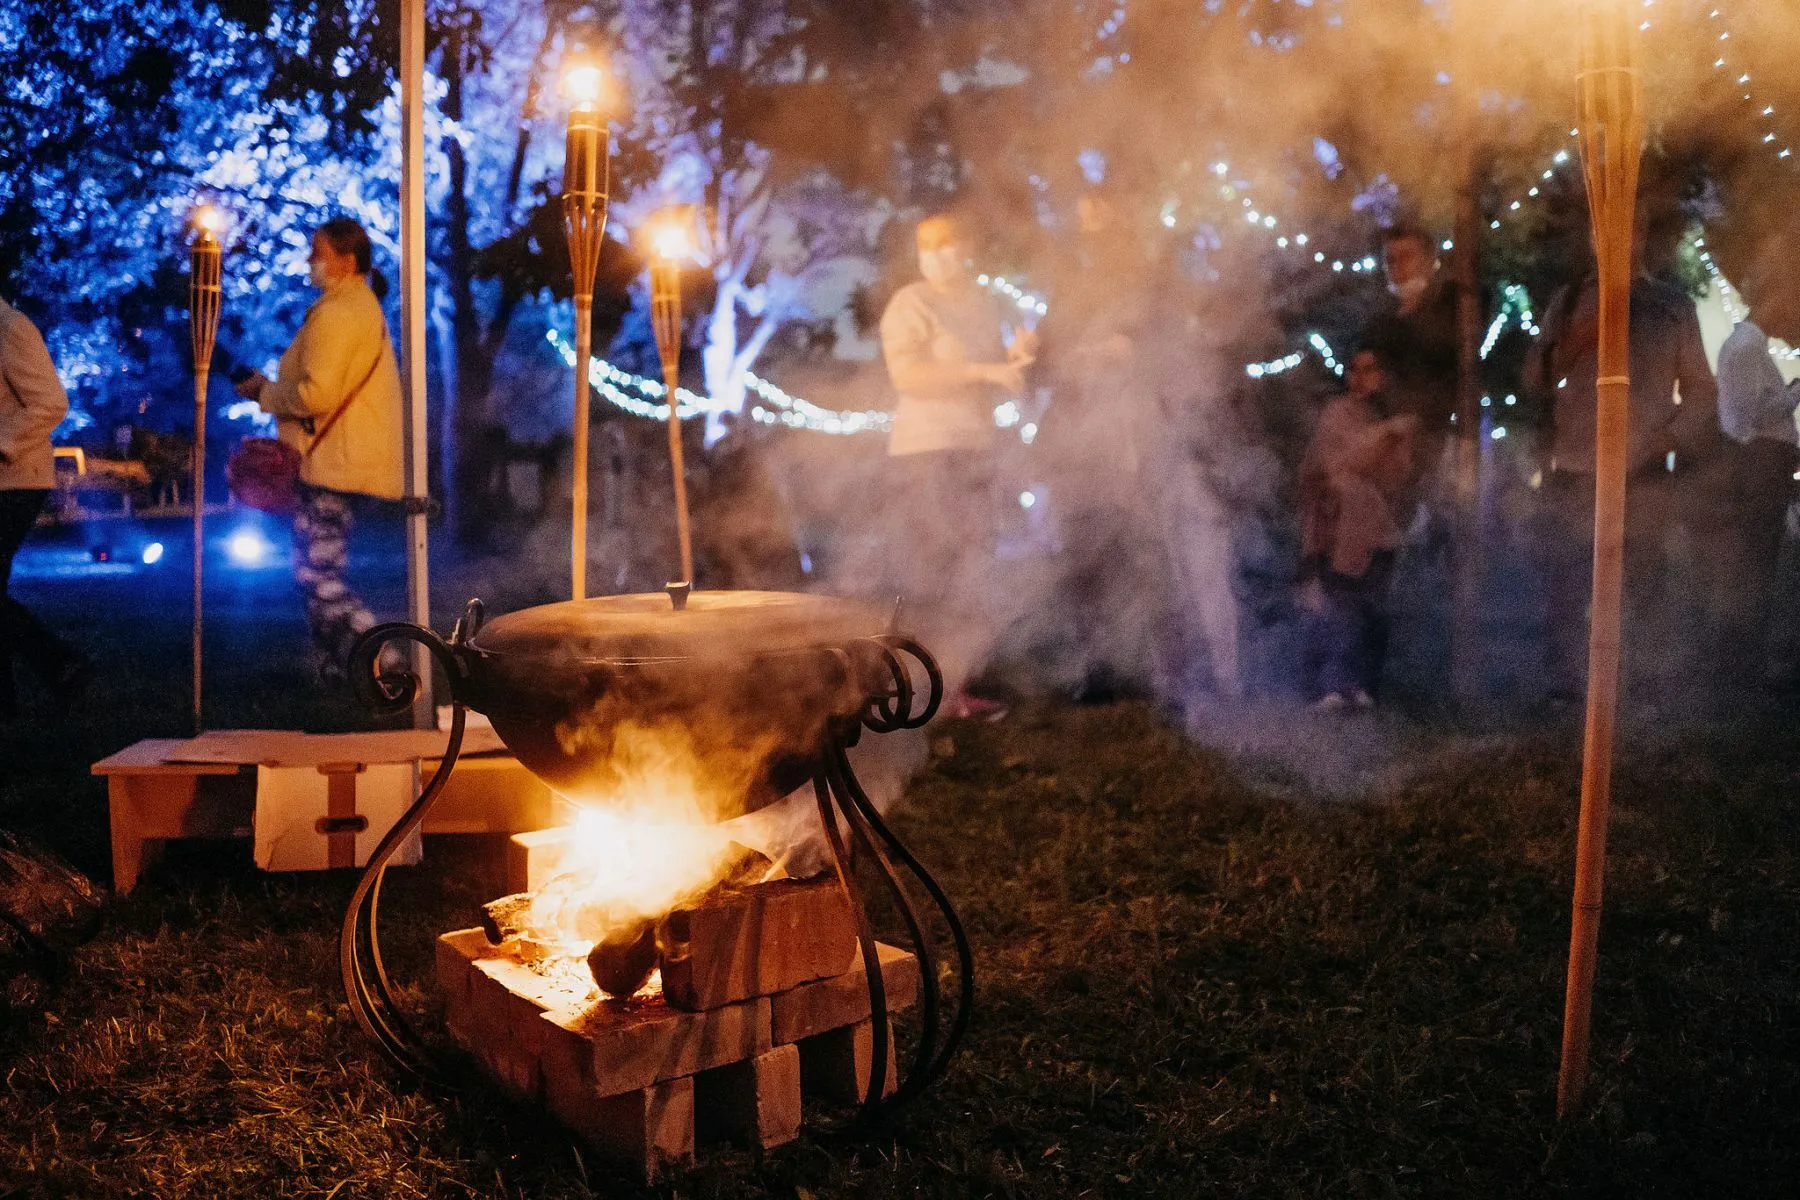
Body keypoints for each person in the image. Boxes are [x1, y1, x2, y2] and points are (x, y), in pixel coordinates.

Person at [1524, 252, 1719, 702]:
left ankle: (1642, 683)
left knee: (1645, 578)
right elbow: (1535, 376)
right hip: (1577, 465)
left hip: (1643, 469)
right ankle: (1567, 686)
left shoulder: (1671, 307)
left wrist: (1669, 438)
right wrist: (1578, 339)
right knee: (1571, 578)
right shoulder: (1570, 301)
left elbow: (1701, 390)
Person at [235, 218, 404, 681]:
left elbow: (317, 394)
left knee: (317, 575)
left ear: (346, 261)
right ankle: (344, 667)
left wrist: (266, 395)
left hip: (334, 465)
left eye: (318, 252)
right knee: (311, 570)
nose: (311, 260)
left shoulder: (339, 312)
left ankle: (383, 659)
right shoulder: (358, 308)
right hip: (342, 460)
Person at [879, 213, 1034, 716]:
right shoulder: (911, 303)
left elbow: (1000, 360)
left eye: (946, 244)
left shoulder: (981, 303)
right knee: (937, 567)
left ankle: (963, 681)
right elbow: (910, 377)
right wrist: (985, 371)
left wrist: (1017, 354)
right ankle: (929, 687)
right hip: (927, 451)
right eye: (927, 247)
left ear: (967, 247)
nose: (937, 255)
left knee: (973, 564)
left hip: (975, 446)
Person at [1297, 349, 1416, 710]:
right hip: (1340, 528)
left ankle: (1360, 686)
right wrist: (1384, 436)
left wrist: (1389, 440)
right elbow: (1341, 461)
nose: (1360, 377)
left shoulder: (1384, 418)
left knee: (1371, 610)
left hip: (1377, 529)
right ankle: (1330, 685)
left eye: (1369, 369)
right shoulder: (1338, 412)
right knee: (1338, 607)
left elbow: (1396, 476)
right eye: (1354, 369)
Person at [0, 295, 87, 717]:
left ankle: (60, 664)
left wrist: (2, 444)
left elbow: (50, 402)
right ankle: (23, 690)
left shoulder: (11, 328)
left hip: (16, 479)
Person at [1707, 309, 1800, 682]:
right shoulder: (1747, 349)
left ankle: (1744, 657)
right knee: (1757, 564)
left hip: (1761, 467)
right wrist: (1793, 393)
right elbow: (1750, 417)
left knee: (1757, 563)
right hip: (1761, 467)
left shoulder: (1746, 347)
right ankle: (1743, 660)